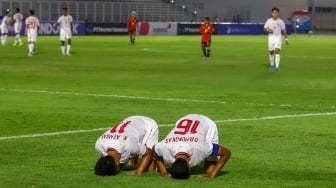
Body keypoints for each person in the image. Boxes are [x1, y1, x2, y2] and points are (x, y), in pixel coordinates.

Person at [154, 114, 231, 179]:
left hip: (206, 123)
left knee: (210, 171)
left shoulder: (200, 147)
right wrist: (163, 171)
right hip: (184, 120)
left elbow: (226, 152)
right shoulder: (164, 147)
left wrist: (211, 176)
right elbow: (154, 149)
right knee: (181, 169)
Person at [94, 116, 159, 176]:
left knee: (151, 169)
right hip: (131, 124)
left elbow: (149, 152)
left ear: (117, 164)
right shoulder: (99, 145)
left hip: (147, 125)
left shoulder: (128, 146)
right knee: (132, 159)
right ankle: (135, 156)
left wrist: (138, 172)